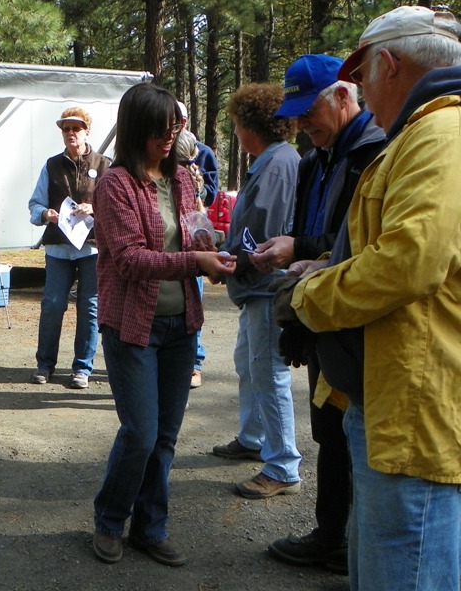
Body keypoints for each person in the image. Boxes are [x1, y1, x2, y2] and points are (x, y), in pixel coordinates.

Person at [274, 6, 461, 589]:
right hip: (404, 412)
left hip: (424, 420)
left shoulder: (445, 134)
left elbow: (410, 262)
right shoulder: (435, 131)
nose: (359, 91)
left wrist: (308, 296)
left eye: (361, 78)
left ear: (387, 63)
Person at [249, 54, 385, 574]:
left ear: (346, 96)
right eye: (298, 113)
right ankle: (334, 538)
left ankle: (348, 544)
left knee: (355, 434)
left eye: (312, 110)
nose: (303, 123)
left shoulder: (373, 154)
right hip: (318, 310)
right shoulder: (316, 160)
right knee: (329, 430)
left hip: (353, 318)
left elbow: (362, 246)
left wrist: (299, 246)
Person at [91, 82, 235, 567]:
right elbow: (129, 260)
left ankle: (150, 528)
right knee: (140, 433)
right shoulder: (115, 185)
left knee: (166, 436)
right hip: (133, 325)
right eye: (160, 131)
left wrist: (213, 244)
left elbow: (193, 227)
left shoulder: (182, 177)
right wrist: (196, 260)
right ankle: (110, 520)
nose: (169, 139)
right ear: (137, 130)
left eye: (174, 128)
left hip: (180, 324)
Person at [210, 83, 302, 499]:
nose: (235, 133)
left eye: (236, 125)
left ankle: (283, 465)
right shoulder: (270, 161)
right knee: (248, 365)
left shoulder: (279, 164)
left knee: (268, 373)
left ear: (252, 126)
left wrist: (231, 262)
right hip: (255, 285)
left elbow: (264, 232)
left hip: (266, 285)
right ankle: (252, 437)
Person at [28, 107, 111, 389]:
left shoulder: (104, 166)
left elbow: (117, 208)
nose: (71, 134)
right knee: (52, 305)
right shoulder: (51, 166)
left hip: (92, 249)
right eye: (66, 129)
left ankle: (82, 368)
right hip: (59, 249)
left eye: (76, 128)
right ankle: (44, 364)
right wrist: (45, 214)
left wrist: (95, 208)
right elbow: (35, 204)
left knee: (89, 307)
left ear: (87, 131)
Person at [177, 101, 220, 388]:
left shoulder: (202, 152)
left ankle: (195, 363)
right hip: (171, 243)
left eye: (179, 120)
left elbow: (212, 194)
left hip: (194, 235)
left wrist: (197, 185)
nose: (175, 125)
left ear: (187, 121)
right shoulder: (159, 151)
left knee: (195, 300)